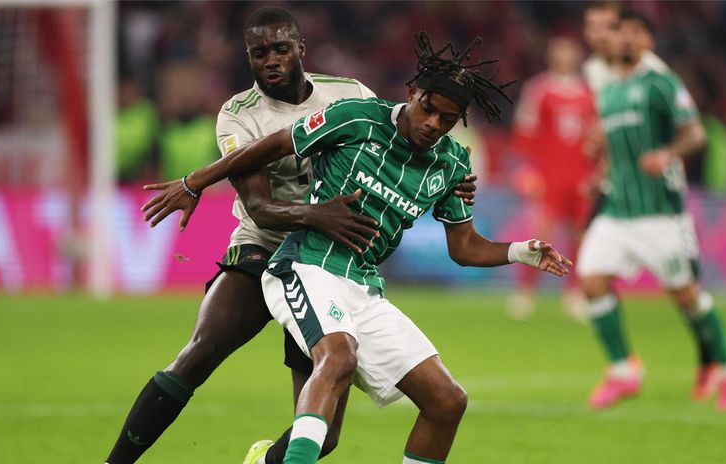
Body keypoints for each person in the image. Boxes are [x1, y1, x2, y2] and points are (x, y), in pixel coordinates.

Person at [142, 30, 572, 464]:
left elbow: (464, 247)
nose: (433, 125)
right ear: (412, 92)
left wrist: (520, 251)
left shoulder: (453, 163)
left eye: (447, 119)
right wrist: (193, 182)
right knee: (338, 357)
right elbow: (267, 148)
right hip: (306, 264)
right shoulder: (356, 116)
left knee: (447, 401)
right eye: (429, 109)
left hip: (364, 286)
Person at [105, 8, 478, 464]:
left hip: (330, 259)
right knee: (199, 353)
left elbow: (402, 147)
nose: (272, 60)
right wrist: (315, 214)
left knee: (326, 434)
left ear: (301, 48)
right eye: (259, 53)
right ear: (248, 58)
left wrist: (451, 174)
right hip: (263, 244)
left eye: (281, 49)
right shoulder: (238, 115)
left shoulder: (348, 94)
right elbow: (259, 206)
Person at [577, 10, 726, 411]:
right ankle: (623, 370)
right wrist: (600, 163)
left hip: (659, 214)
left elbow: (695, 133)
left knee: (686, 295)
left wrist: (667, 153)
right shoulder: (610, 90)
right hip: (618, 210)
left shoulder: (660, 82)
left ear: (649, 42)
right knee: (591, 279)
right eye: (622, 33)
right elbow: (614, 143)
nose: (626, 40)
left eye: (636, 33)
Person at [506, 36, 597, 321]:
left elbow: (596, 134)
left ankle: (575, 293)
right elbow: (525, 130)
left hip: (580, 174)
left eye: (569, 49)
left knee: (580, 235)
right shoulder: (540, 89)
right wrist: (526, 169)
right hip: (549, 173)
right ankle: (525, 292)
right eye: (559, 49)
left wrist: (597, 170)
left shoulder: (588, 92)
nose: (564, 55)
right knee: (542, 235)